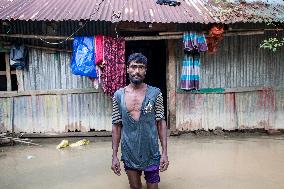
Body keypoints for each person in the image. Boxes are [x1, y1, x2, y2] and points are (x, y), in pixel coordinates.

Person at [111, 53, 169, 189]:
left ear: (145, 70)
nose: (137, 71)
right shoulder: (118, 95)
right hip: (129, 152)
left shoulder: (155, 93)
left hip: (152, 152)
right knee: (135, 187)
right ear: (127, 69)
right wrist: (114, 156)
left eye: (141, 67)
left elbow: (161, 123)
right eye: (133, 67)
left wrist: (165, 152)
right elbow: (116, 126)